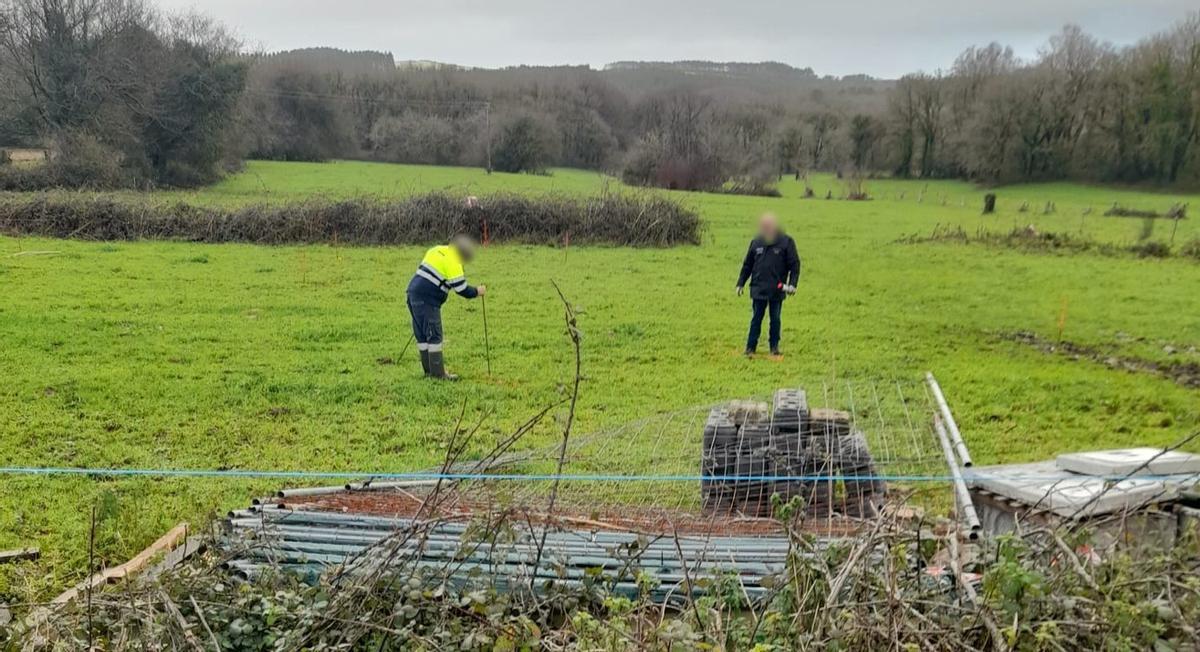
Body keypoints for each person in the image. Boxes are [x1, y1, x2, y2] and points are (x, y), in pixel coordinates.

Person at [406, 234, 486, 380]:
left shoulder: (436, 250)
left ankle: (428, 372)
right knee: (434, 336)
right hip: (427, 300)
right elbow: (461, 289)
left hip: (412, 294)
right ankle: (438, 375)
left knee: (422, 335)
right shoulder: (454, 261)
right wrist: (477, 291)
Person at [735, 213, 801, 357]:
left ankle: (774, 348)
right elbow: (747, 265)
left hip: (776, 290)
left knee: (775, 319)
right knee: (756, 318)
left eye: (768, 226)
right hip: (758, 288)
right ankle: (750, 348)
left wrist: (792, 284)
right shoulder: (756, 242)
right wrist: (740, 283)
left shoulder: (786, 242)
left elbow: (794, 265)